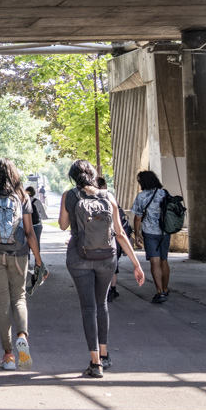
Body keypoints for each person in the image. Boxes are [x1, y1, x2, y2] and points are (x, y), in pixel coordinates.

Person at [59, 160, 144, 378]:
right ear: (93, 174)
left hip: (79, 256)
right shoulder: (108, 196)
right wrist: (136, 264)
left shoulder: (69, 196)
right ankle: (104, 354)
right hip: (107, 257)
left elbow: (62, 225)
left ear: (73, 177)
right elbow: (120, 233)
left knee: (88, 308)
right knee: (102, 304)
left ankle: (95, 363)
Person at [0, 159, 47, 371]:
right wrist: (39, 261)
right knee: (20, 297)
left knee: (2, 302)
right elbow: (30, 231)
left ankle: (8, 356)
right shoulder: (22, 195)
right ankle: (22, 336)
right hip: (19, 254)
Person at [131, 170, 171, 304]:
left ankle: (160, 292)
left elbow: (137, 218)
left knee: (155, 261)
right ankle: (165, 289)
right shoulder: (164, 193)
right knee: (164, 260)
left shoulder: (141, 196)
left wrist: (136, 234)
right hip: (165, 232)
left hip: (149, 232)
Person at [25, 185, 47, 252]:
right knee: (37, 243)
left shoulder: (23, 202)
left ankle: (27, 260)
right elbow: (44, 216)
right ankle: (37, 261)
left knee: (26, 244)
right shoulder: (37, 202)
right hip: (37, 225)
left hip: (26, 226)